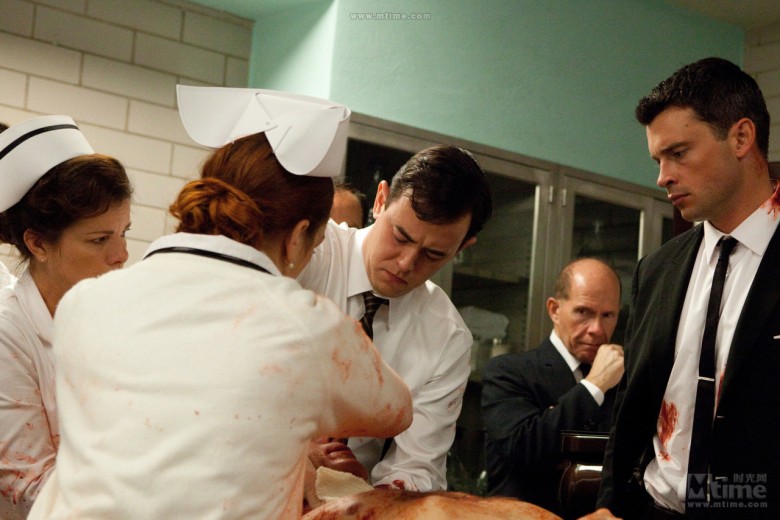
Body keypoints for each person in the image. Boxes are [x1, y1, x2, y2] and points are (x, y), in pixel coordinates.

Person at [27, 85, 412, 520]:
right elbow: (396, 412)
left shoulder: (84, 301)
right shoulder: (307, 326)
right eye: (317, 241)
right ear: (297, 236)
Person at [588, 57, 779, 520]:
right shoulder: (657, 269)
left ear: (741, 137)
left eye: (678, 153)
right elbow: (631, 406)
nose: (663, 176)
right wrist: (609, 505)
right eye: (658, 160)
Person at [299, 143, 493, 492]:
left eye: (433, 254)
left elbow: (417, 465)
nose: (406, 263)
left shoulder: (447, 337)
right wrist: (295, 451)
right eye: (400, 236)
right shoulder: (309, 252)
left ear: (462, 248)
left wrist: (377, 494)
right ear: (380, 201)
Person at [0, 115, 132, 519]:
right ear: (38, 243)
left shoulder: (115, 320)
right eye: (99, 239)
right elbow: (29, 483)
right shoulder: (8, 333)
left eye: (124, 232)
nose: (121, 255)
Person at [481, 258, 624, 517]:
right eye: (583, 312)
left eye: (608, 315)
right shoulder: (508, 372)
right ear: (554, 310)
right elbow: (525, 447)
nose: (596, 329)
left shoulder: (623, 379)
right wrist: (594, 385)